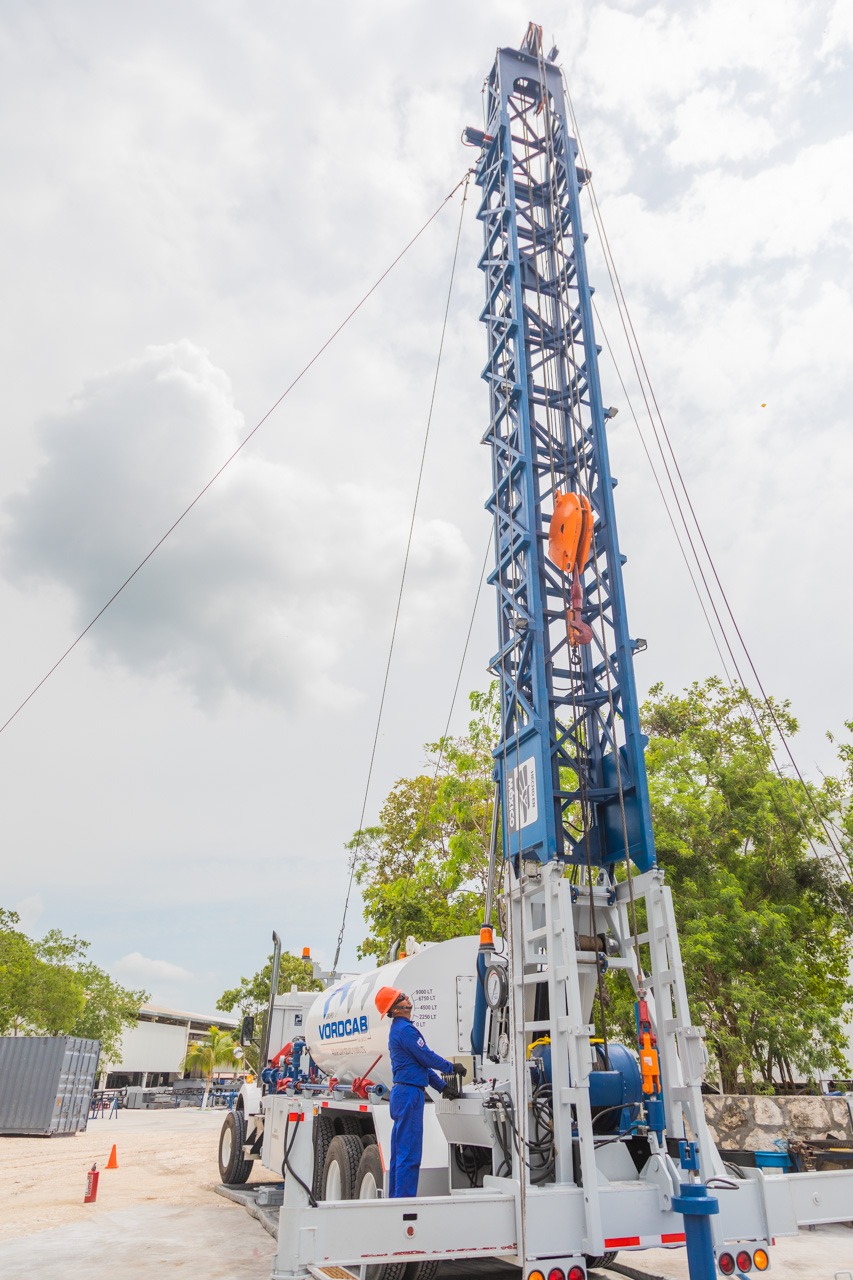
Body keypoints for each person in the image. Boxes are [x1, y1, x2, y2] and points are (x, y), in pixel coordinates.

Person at [375, 986, 466, 1198]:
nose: (407, 997)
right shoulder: (405, 1030)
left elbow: (420, 1067)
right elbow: (426, 1056)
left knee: (400, 1154)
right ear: (397, 1008)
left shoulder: (399, 1030)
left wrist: (443, 1087)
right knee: (410, 1154)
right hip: (409, 1095)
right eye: (402, 997)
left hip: (403, 1093)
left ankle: (396, 1201)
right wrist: (451, 1068)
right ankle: (405, 1205)